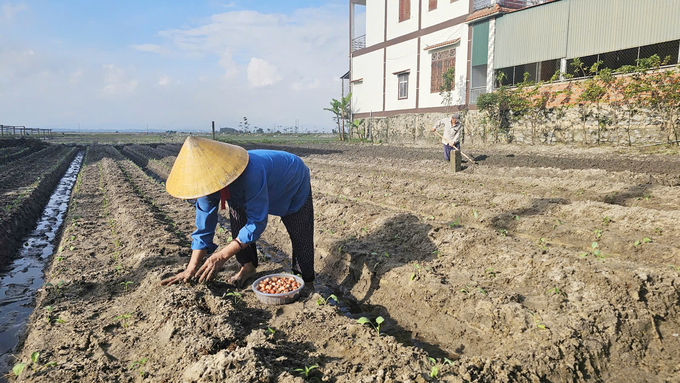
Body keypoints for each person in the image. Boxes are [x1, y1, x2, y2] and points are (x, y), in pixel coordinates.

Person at [160, 136, 315, 288]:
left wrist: (222, 255)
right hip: (250, 187)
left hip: (292, 181)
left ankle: (306, 281)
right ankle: (248, 267)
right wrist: (191, 268)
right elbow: (203, 229)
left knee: (300, 232)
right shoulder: (206, 186)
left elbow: (257, 221)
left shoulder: (251, 173)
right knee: (237, 218)